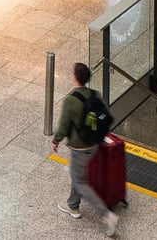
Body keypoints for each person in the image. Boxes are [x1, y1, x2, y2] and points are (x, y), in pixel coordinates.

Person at [52, 62, 119, 237]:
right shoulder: (95, 94)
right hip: (95, 143)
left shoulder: (71, 100)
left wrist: (56, 140)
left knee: (80, 182)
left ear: (75, 77)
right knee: (77, 174)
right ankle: (73, 205)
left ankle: (107, 216)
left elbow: (64, 126)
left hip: (80, 146)